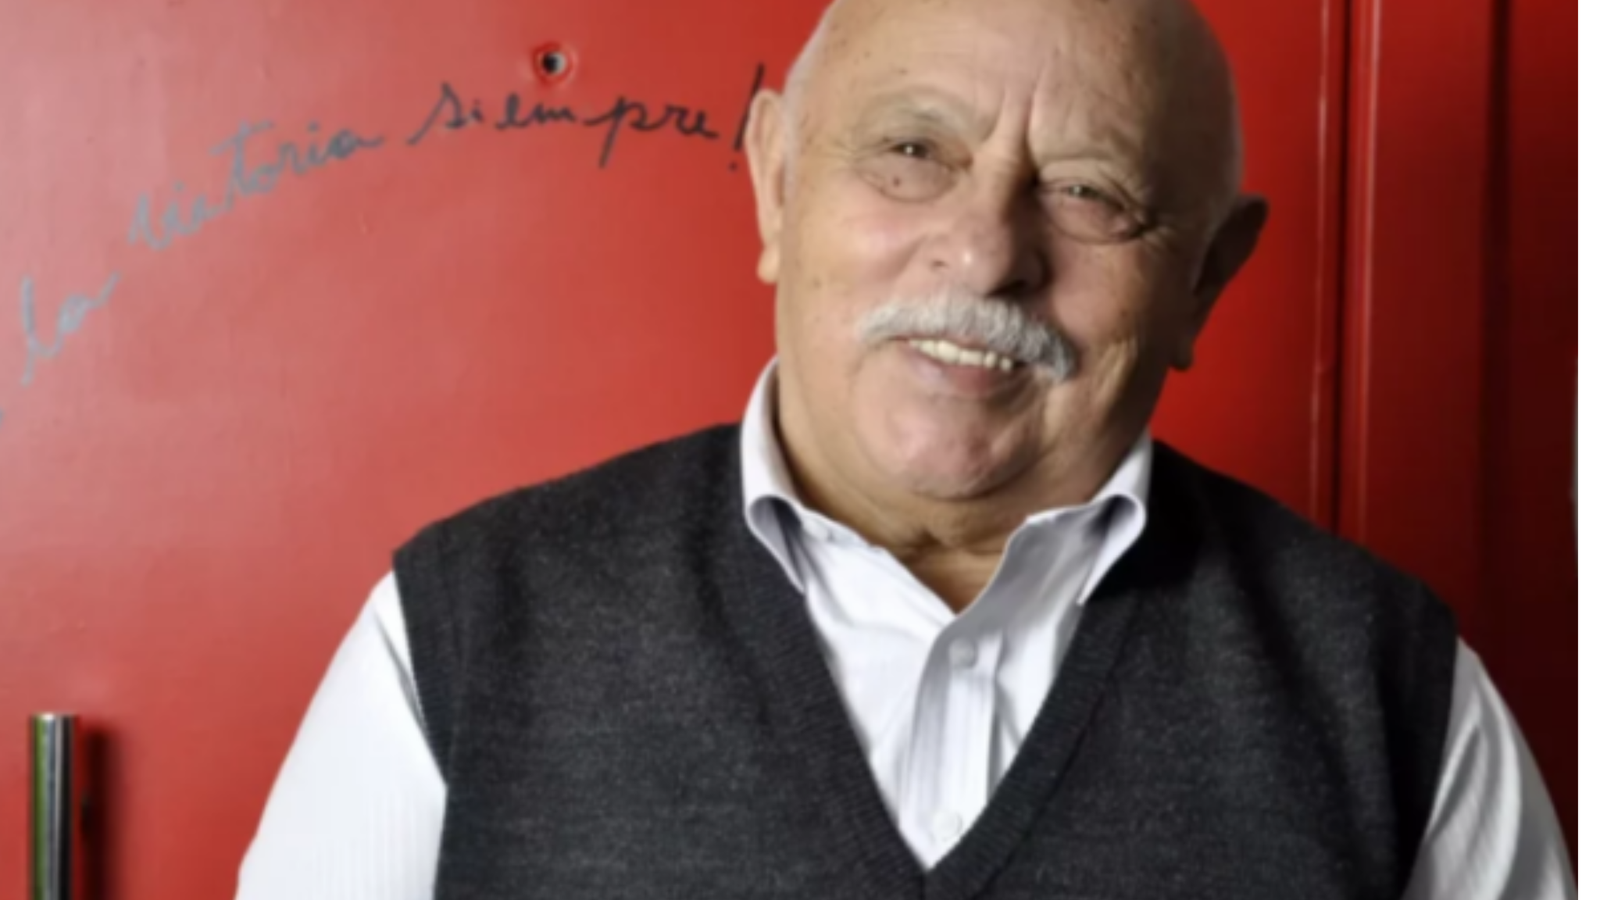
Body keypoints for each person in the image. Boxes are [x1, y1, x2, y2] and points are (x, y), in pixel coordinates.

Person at [235, 0, 1576, 896]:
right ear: (776, 184)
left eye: (1089, 191)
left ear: (1206, 282)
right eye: (912, 152)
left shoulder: (1389, 693)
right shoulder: (462, 637)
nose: (986, 254)